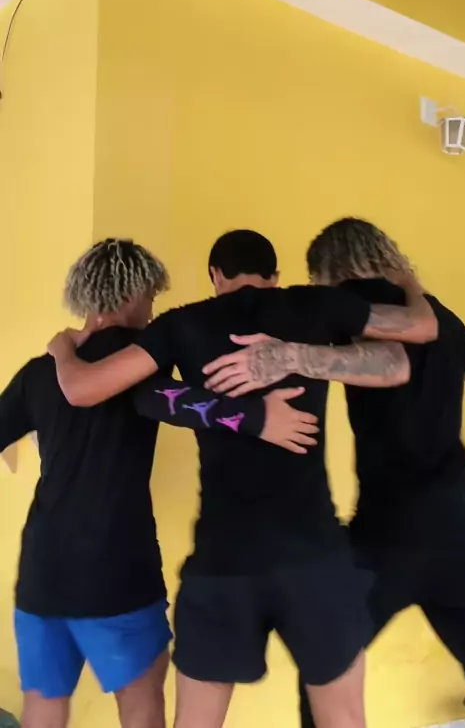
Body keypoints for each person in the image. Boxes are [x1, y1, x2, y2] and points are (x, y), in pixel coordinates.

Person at [47, 229, 437, 728]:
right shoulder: (317, 306)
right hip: (314, 558)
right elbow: (413, 340)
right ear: (275, 277)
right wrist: (406, 287)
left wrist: (62, 350)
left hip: (223, 563)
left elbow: (93, 390)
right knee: (344, 720)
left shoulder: (183, 323)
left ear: (216, 276)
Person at [0, 238, 320, 728]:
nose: (152, 311)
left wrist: (59, 363)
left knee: (43, 710)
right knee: (142, 709)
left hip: (42, 572)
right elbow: (176, 400)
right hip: (116, 574)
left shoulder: (40, 373)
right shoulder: (137, 366)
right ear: (132, 295)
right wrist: (257, 418)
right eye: (150, 298)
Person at [204, 219, 465, 728]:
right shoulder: (437, 314)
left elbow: (386, 361)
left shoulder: (344, 309)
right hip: (462, 522)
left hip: (387, 532)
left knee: (326, 674)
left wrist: (287, 355)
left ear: (325, 271)